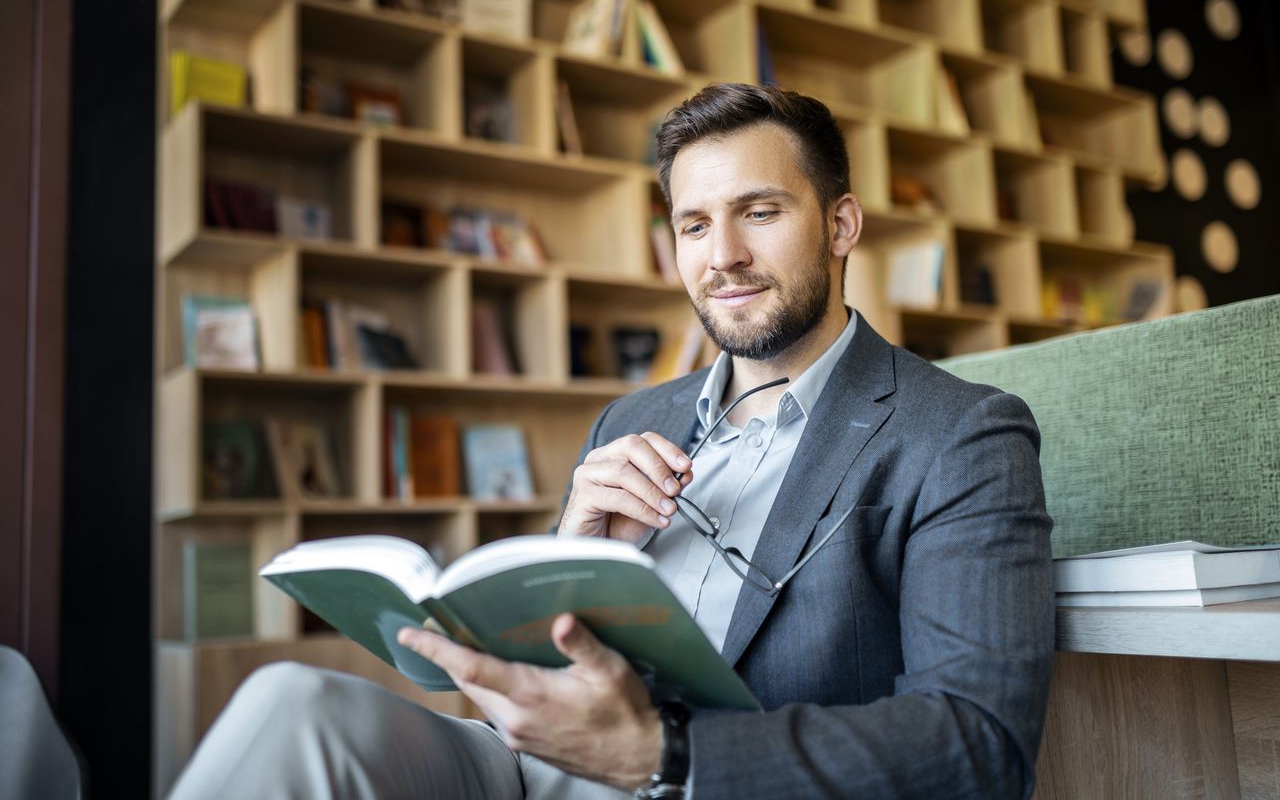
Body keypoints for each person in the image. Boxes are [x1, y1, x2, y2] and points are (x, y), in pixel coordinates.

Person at [168, 83, 1054, 799]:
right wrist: (556, 567)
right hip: (525, 771)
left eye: (761, 211)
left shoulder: (960, 432)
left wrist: (665, 754)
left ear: (841, 224)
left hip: (702, 783)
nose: (724, 257)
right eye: (694, 224)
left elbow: (978, 741)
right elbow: (538, 675)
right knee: (292, 702)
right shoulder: (630, 422)